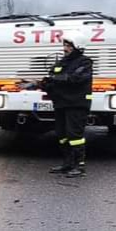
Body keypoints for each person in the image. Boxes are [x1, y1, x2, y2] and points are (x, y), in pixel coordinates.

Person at [38, 31, 93, 177]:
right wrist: (41, 84)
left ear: (78, 46)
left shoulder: (85, 62)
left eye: (68, 45)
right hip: (61, 104)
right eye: (64, 45)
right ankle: (67, 163)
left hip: (77, 104)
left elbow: (75, 78)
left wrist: (55, 79)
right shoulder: (61, 63)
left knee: (74, 135)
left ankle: (79, 166)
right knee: (62, 134)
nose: (65, 48)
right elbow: (53, 80)